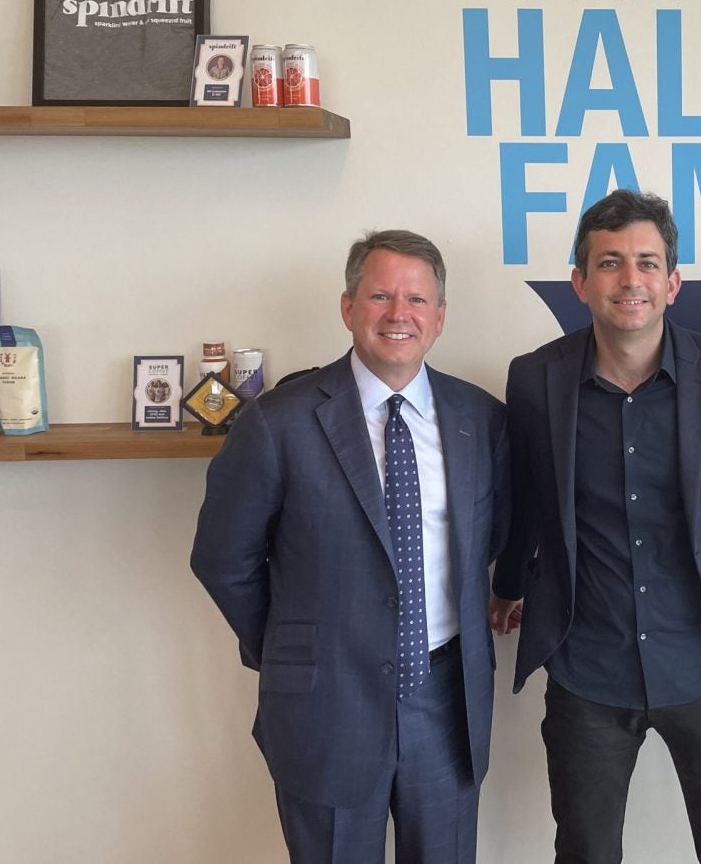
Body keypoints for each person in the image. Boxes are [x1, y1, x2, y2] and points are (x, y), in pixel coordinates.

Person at [190, 230, 511, 864]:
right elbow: (222, 559)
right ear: (347, 308)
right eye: (380, 296)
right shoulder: (278, 422)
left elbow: (491, 539)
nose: (399, 315)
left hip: (445, 704)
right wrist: (292, 648)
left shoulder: (481, 419)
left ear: (440, 318)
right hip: (325, 703)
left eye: (417, 300)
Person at [488, 189, 701, 864]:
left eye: (647, 263)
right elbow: (528, 495)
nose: (630, 280)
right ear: (580, 282)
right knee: (586, 853)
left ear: (672, 283)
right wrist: (507, 583)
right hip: (589, 668)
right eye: (610, 263)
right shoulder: (535, 379)